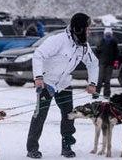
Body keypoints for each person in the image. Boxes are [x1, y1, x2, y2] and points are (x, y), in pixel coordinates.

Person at [26, 13, 99, 159]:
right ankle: (32, 148)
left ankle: (67, 146)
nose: (89, 31)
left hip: (64, 84)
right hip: (47, 83)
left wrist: (92, 83)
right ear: (79, 28)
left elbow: (93, 63)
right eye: (87, 28)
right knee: (40, 115)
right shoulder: (58, 40)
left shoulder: (83, 47)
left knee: (68, 115)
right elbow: (38, 55)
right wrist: (38, 77)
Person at [95, 28, 119, 99]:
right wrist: (99, 59)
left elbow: (116, 53)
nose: (108, 35)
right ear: (104, 34)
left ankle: (106, 94)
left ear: (111, 34)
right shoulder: (101, 41)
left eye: (109, 34)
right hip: (102, 63)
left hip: (109, 63)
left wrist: (114, 60)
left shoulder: (114, 42)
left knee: (107, 80)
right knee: (100, 80)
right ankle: (96, 94)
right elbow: (97, 51)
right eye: (107, 34)